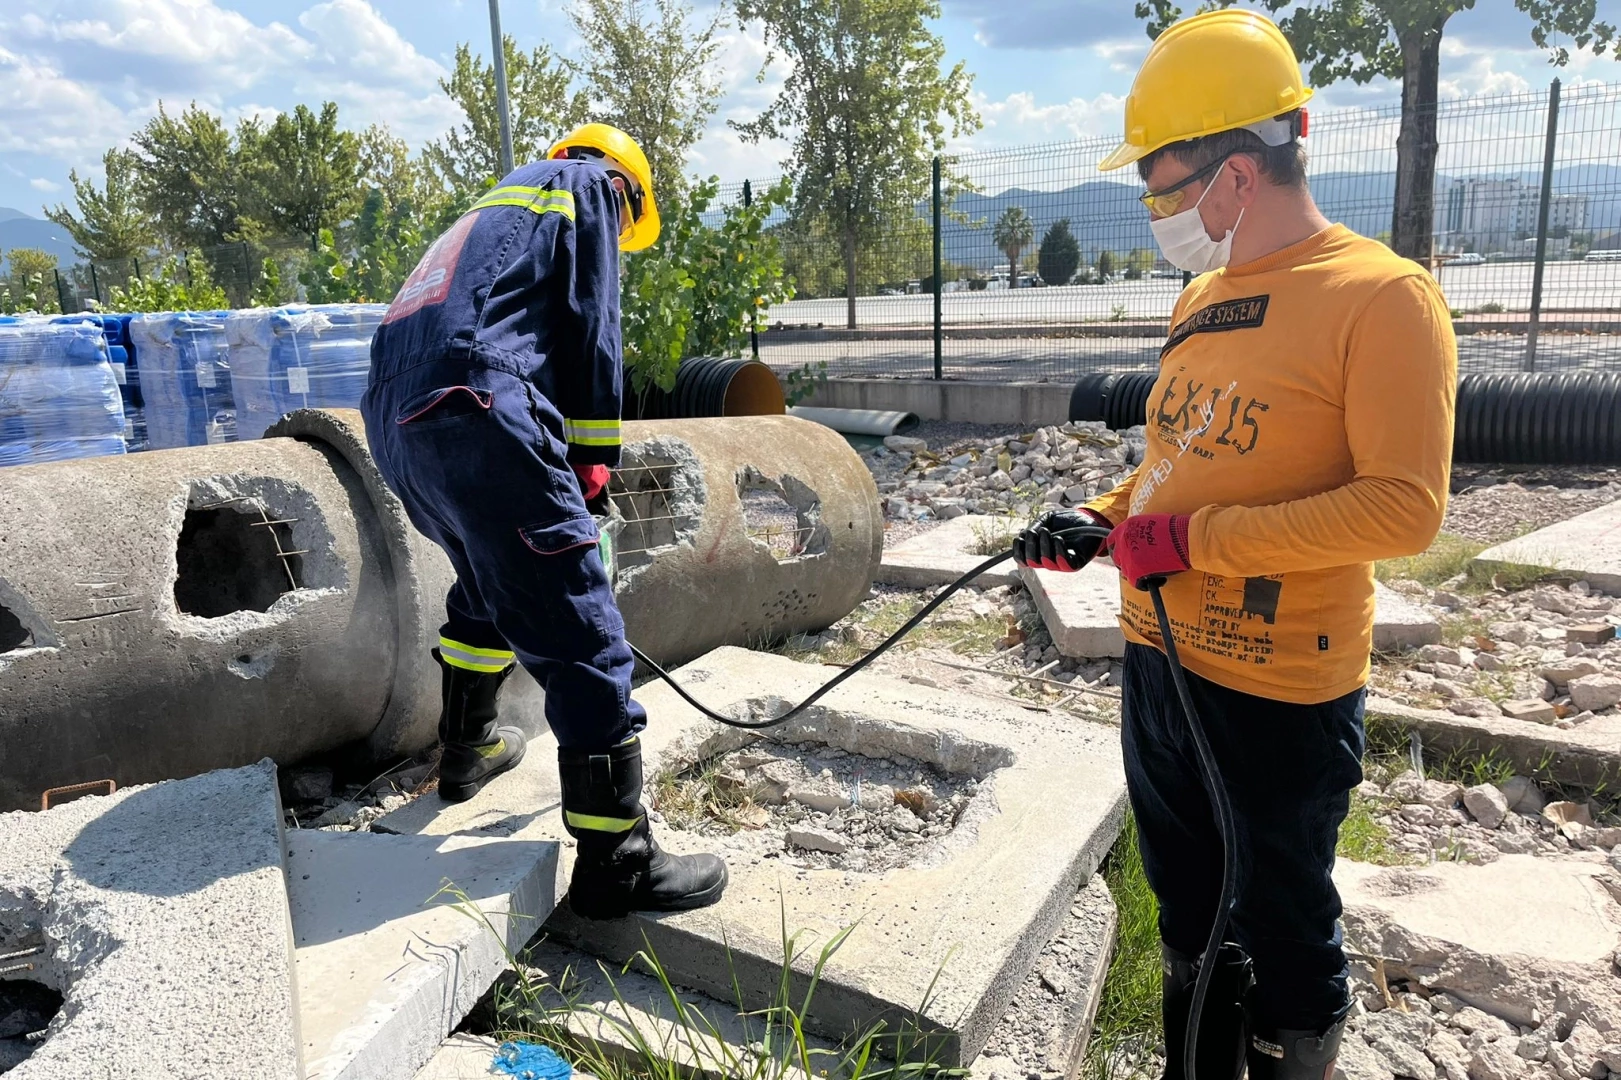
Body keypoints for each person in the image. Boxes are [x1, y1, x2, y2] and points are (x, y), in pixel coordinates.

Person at [1014, 10, 1456, 1080]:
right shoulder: (1203, 298)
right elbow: (1183, 453)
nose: (1156, 206)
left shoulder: (1381, 300)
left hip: (1276, 690)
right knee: (1186, 910)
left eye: (1164, 183)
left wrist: (1193, 540)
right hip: (1160, 662)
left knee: (1283, 923)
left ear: (1237, 169)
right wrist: (1109, 518)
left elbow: (1404, 507)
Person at [360, 124, 728, 921]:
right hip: (476, 405)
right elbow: (591, 327)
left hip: (397, 420)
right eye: (632, 227)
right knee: (579, 625)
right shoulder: (589, 185)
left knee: (489, 580)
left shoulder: (485, 216)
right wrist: (592, 467)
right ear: (628, 187)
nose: (623, 237)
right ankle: (617, 862)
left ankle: (466, 752)